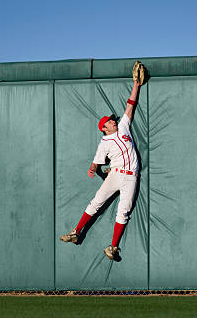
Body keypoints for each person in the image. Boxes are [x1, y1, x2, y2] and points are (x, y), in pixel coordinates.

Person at [60, 64, 145, 261]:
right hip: (115, 175)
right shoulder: (104, 143)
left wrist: (136, 84)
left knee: (123, 212)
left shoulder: (123, 126)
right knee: (96, 202)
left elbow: (131, 105)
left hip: (131, 177)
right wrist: (96, 170)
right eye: (109, 121)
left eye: (112, 120)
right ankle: (76, 231)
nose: (113, 121)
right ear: (104, 128)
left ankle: (113, 248)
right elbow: (95, 164)